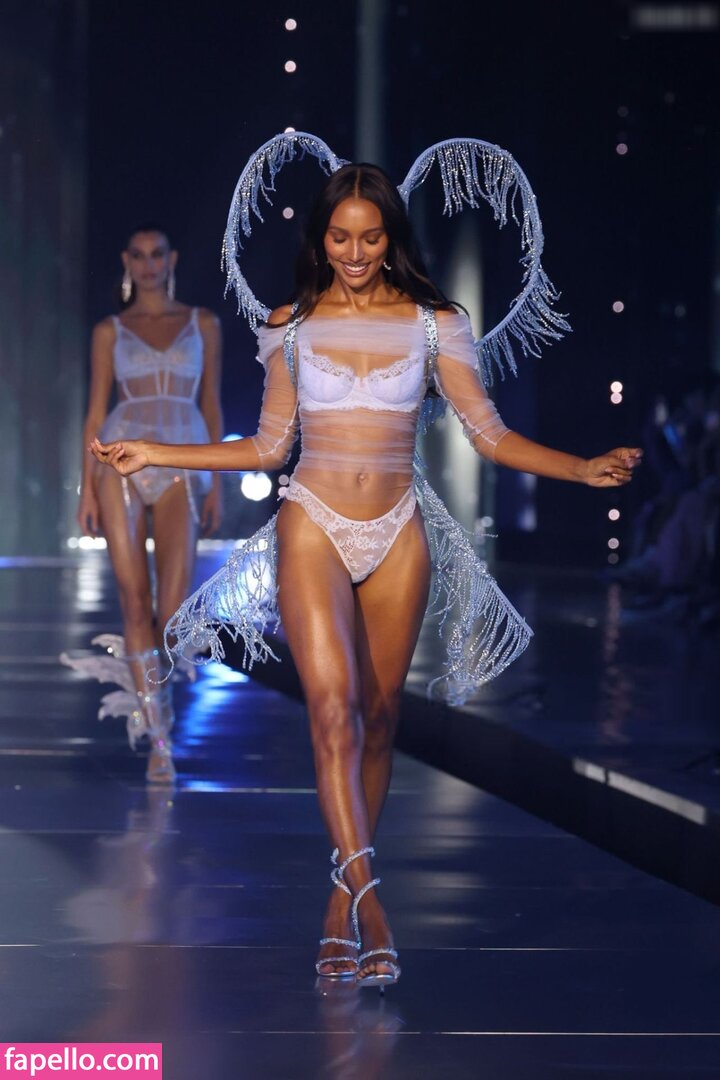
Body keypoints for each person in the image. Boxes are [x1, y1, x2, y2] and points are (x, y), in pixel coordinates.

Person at [89, 154, 641, 987]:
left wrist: (583, 468)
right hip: (311, 521)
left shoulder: (434, 323)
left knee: (380, 720)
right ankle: (373, 903)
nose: (354, 252)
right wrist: (155, 451)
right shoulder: (290, 324)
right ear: (321, 238)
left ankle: (340, 899)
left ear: (391, 239)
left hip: (397, 530)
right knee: (334, 713)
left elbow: (488, 434)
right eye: (340, 237)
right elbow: (268, 447)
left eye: (370, 237)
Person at [65, 225, 224, 785]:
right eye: (139, 255)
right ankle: (159, 739)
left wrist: (217, 482)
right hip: (119, 458)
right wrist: (87, 486)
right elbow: (94, 410)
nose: (149, 263)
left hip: (181, 459)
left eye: (158, 254)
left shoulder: (203, 324)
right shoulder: (109, 330)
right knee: (134, 602)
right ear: (127, 261)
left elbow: (212, 403)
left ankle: (158, 702)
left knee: (171, 611)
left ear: (171, 259)